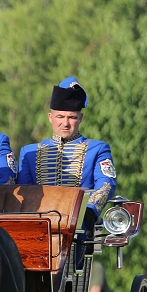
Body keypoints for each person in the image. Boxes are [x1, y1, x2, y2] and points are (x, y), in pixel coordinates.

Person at [17, 77, 116, 230]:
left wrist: (90, 210)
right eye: (60, 117)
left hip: (80, 224)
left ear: (80, 118)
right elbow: (24, 191)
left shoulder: (98, 149)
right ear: (50, 118)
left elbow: (105, 184)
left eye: (72, 117)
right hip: (39, 226)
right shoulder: (29, 152)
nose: (65, 123)